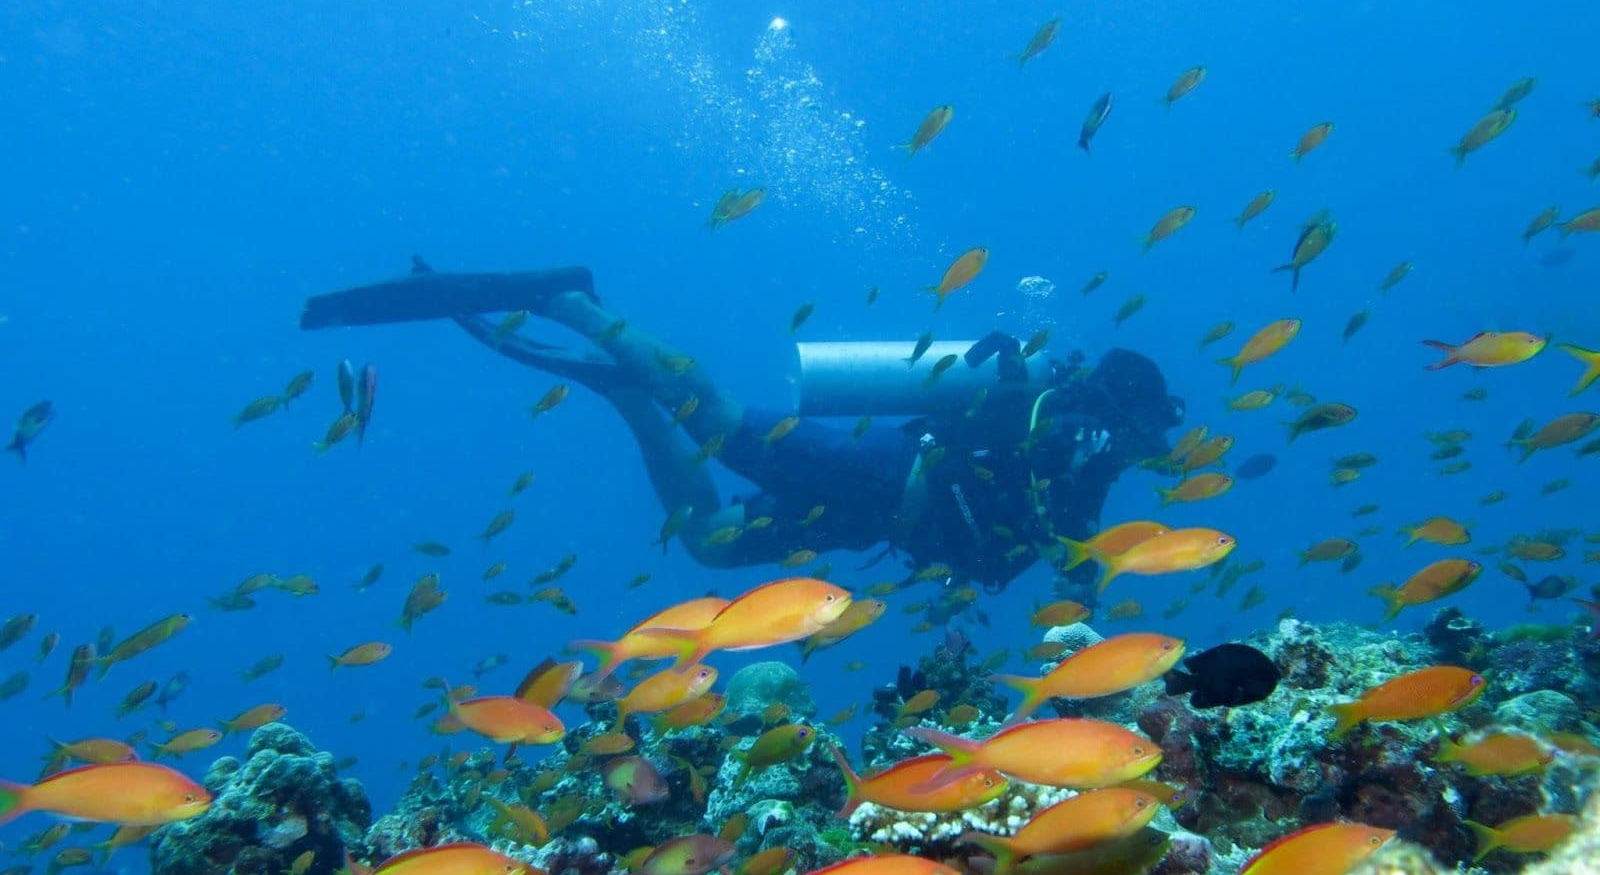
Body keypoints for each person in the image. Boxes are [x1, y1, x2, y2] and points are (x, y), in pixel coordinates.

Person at [304, 260, 1184, 597]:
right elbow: (1050, 516)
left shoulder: (1088, 460)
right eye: (1152, 426)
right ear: (1125, 409)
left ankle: (630, 396)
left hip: (870, 518)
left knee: (709, 544)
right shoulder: (1078, 434)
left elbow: (1065, 544)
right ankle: (570, 303)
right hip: (880, 476)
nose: (1156, 446)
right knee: (721, 420)